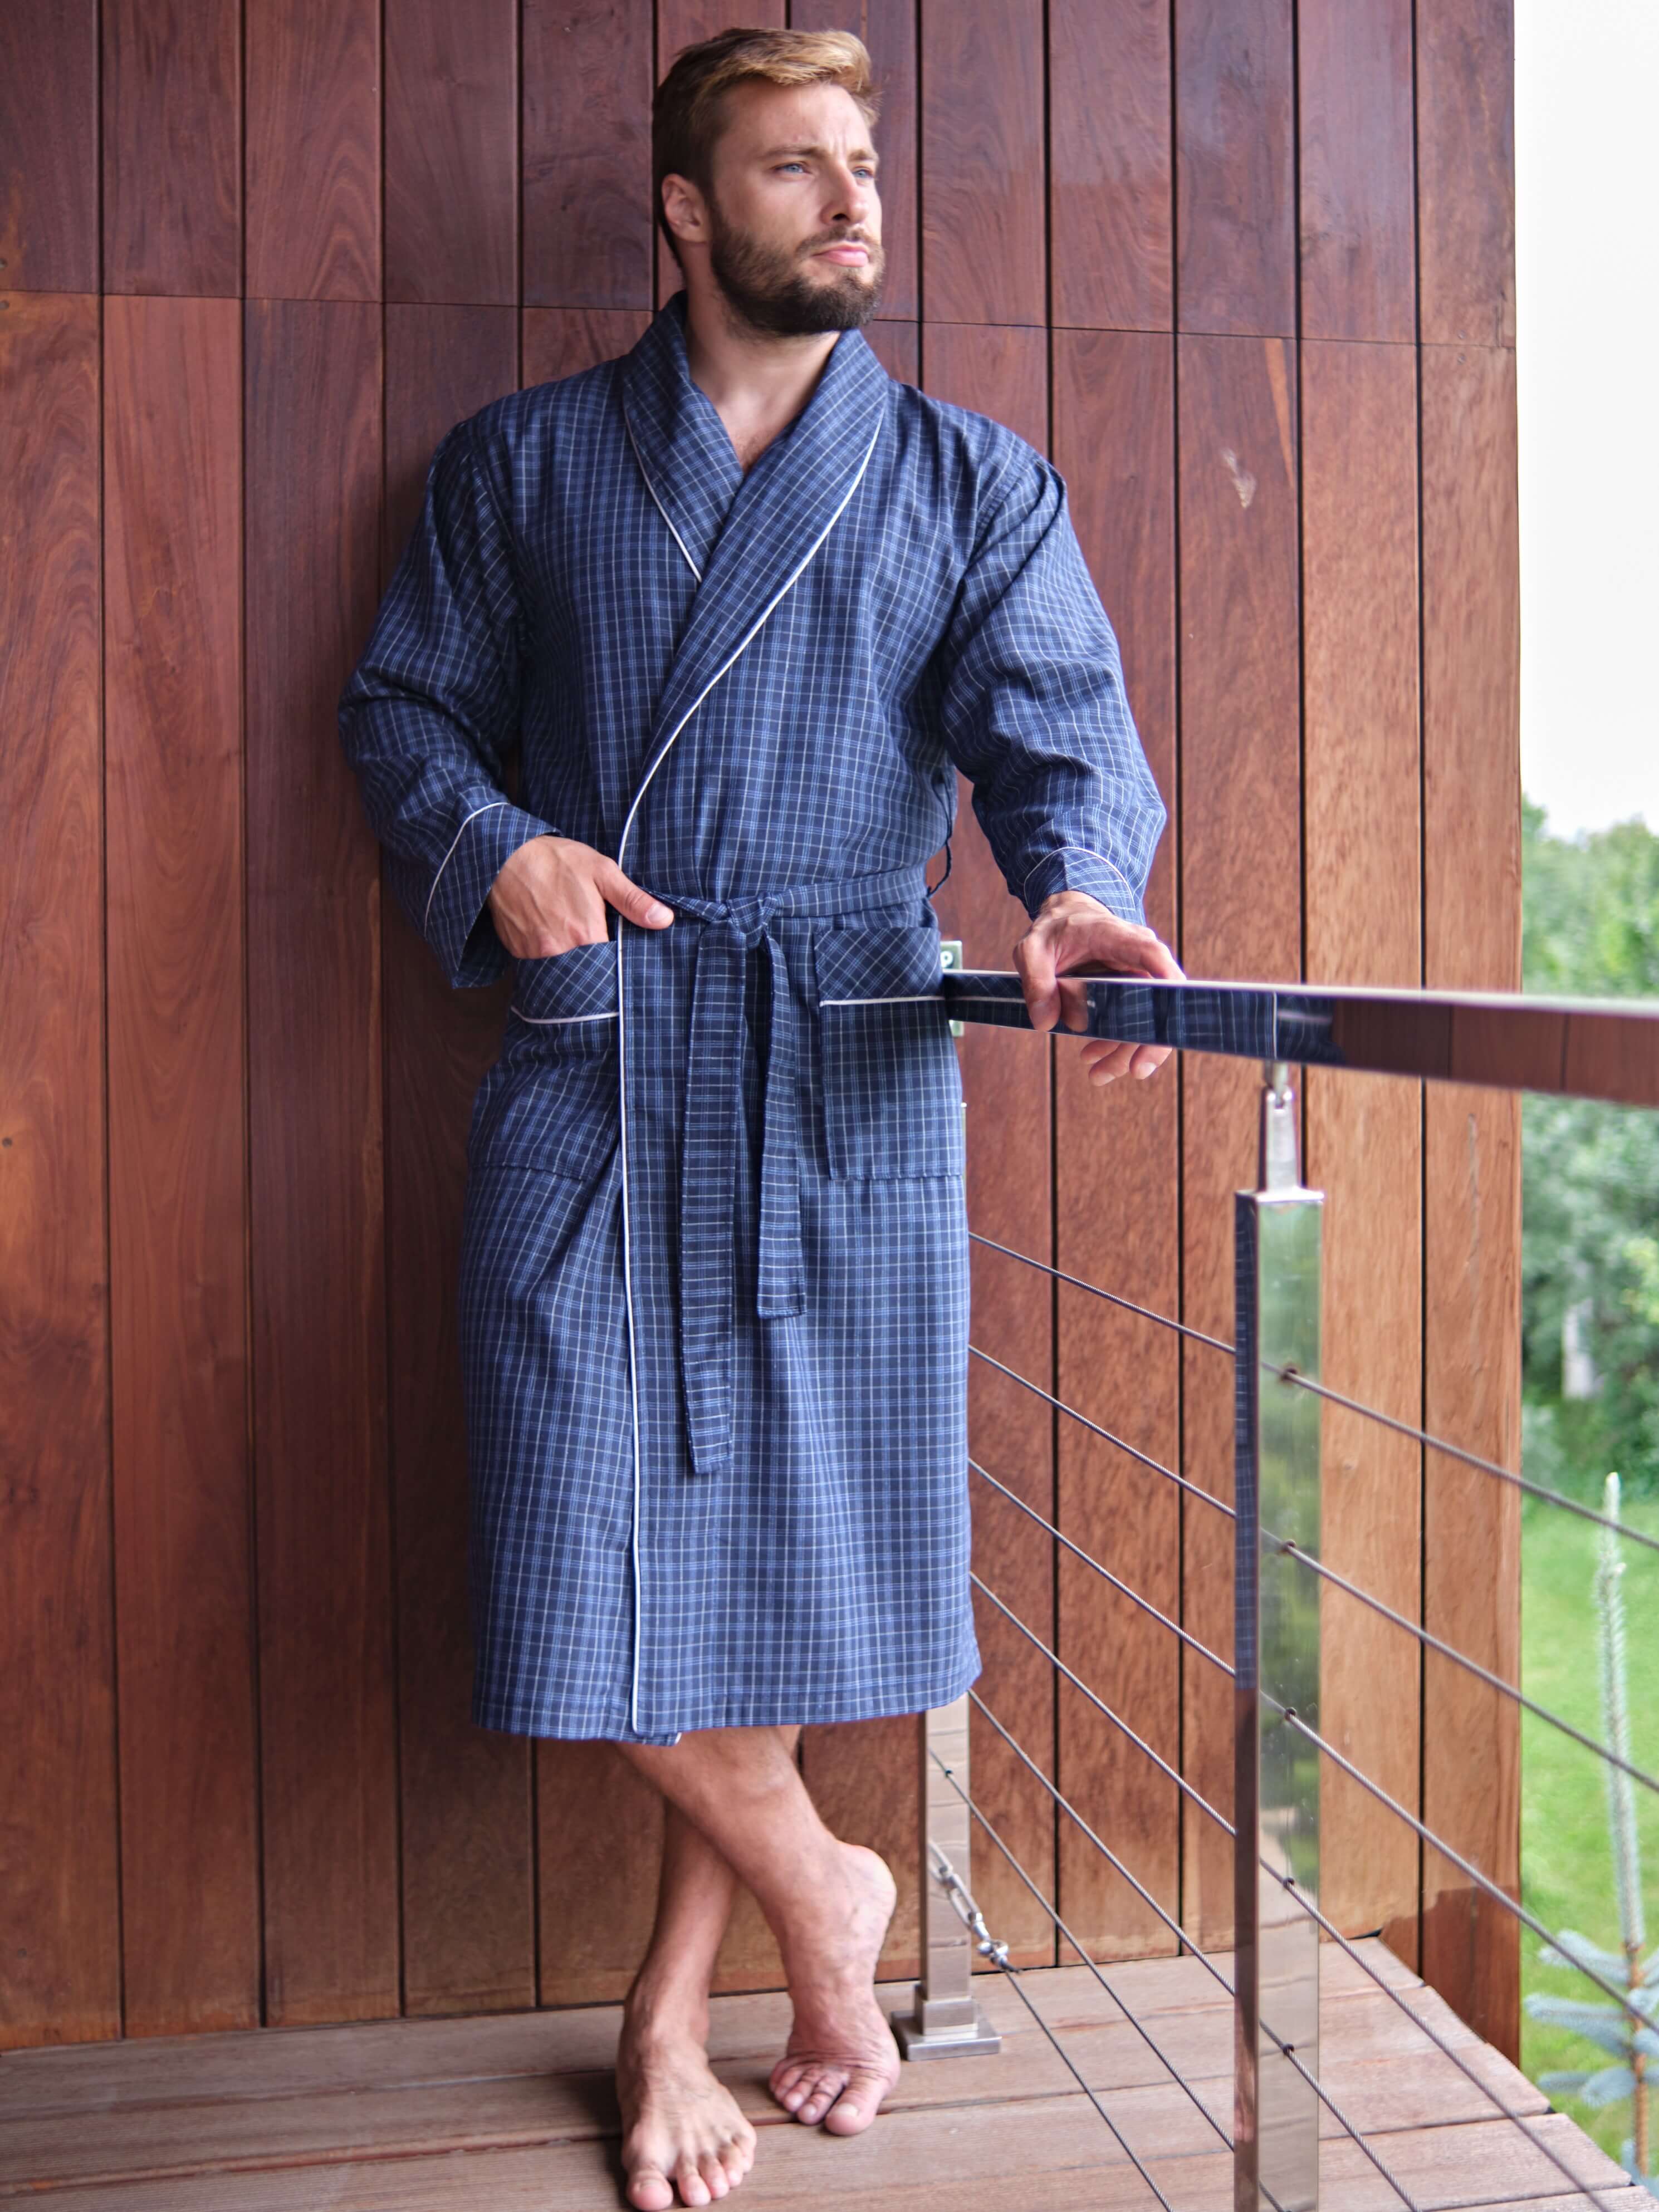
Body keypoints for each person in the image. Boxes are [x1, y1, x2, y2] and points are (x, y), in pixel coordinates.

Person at [337, 25, 1178, 2209]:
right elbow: (403, 709)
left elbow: (1060, 738)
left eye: (860, 160)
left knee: (772, 1555)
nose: (851, 197)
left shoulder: (971, 485)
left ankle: (666, 2014)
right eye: (794, 165)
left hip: (839, 1065)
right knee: (573, 1526)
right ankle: (831, 1892)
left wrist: (1079, 893)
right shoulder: (521, 467)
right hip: (606, 1043)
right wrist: (499, 851)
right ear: (689, 211)